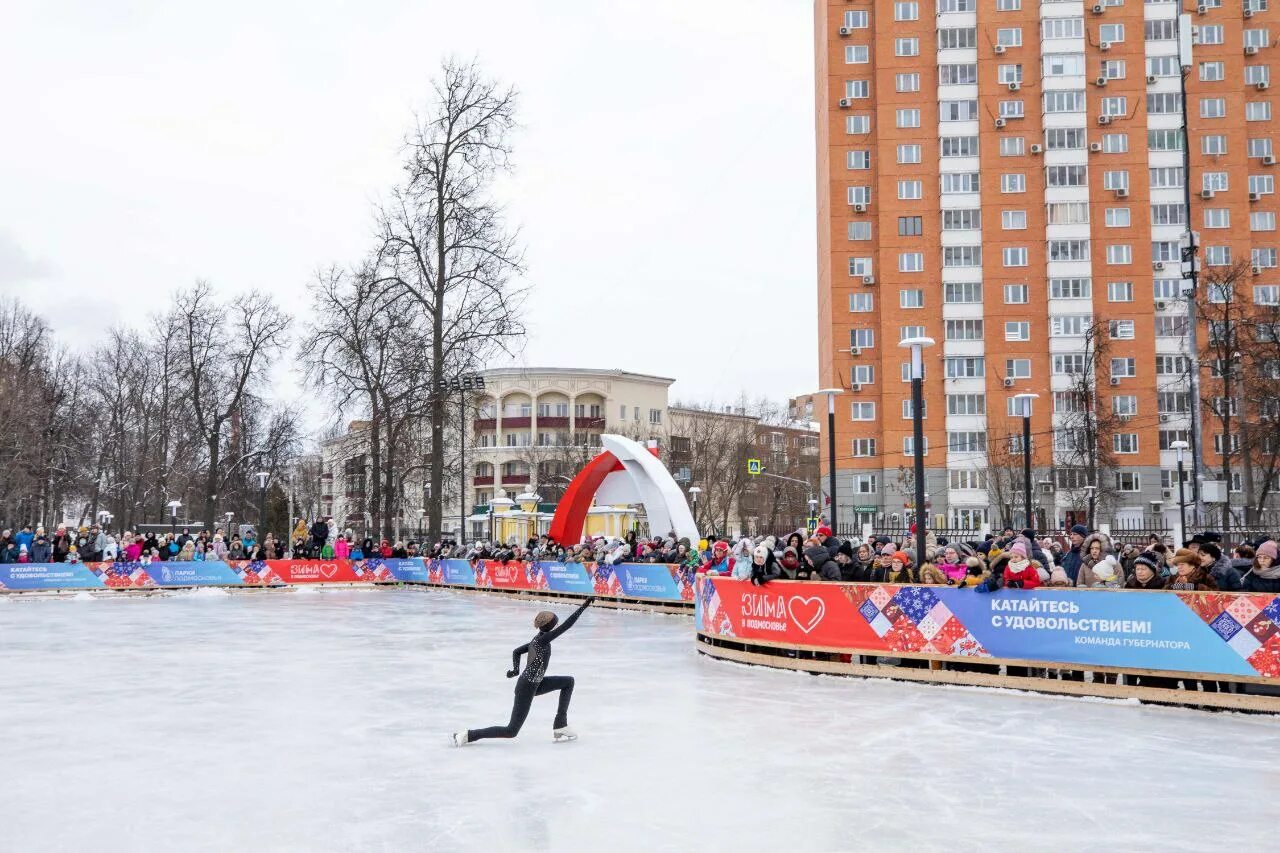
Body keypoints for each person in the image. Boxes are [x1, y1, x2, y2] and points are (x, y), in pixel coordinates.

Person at [453, 598, 594, 746]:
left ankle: (560, 724)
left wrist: (515, 670)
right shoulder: (543, 640)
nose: (557, 624)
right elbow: (567, 625)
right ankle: (467, 735)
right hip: (526, 687)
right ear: (550, 626)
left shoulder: (538, 639)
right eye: (555, 623)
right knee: (511, 730)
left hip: (535, 683)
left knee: (568, 682)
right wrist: (584, 606)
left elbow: (517, 652)